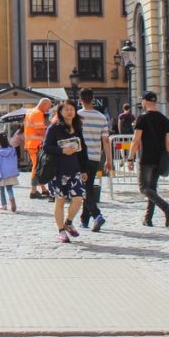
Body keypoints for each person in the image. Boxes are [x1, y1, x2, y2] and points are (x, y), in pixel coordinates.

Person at [44, 100, 89, 243]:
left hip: (75, 169)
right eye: (66, 109)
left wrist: (84, 169)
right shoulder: (54, 128)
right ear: (61, 112)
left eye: (72, 109)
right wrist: (62, 150)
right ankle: (61, 230)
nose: (69, 112)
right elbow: (46, 147)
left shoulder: (77, 127)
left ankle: (68, 223)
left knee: (78, 198)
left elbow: (83, 150)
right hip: (58, 170)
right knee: (60, 200)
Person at [128, 91, 169, 228]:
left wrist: (130, 158)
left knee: (143, 188)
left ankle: (166, 207)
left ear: (145, 101)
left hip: (146, 157)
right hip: (160, 157)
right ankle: (148, 219)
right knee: (152, 189)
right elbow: (168, 142)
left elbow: (136, 140)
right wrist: (166, 158)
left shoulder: (142, 118)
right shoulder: (165, 119)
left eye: (142, 101)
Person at [78, 88, 113, 232]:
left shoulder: (78, 116)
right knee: (88, 187)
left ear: (80, 100)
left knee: (84, 189)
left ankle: (96, 215)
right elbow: (106, 140)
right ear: (93, 99)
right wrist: (109, 160)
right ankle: (84, 220)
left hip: (80, 157)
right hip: (95, 157)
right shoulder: (101, 117)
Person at [25, 98, 51, 199]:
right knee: (36, 167)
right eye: (48, 107)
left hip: (31, 144)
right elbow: (39, 132)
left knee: (38, 167)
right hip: (36, 144)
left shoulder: (30, 112)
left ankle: (44, 189)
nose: (48, 110)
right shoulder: (38, 113)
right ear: (43, 104)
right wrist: (50, 132)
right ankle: (33, 191)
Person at [0, 131, 20, 213]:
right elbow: (15, 160)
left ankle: (4, 205)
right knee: (9, 188)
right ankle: (12, 201)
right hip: (11, 172)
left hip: (2, 173)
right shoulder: (12, 149)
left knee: (1, 189)